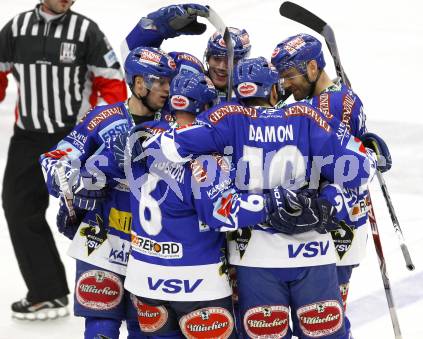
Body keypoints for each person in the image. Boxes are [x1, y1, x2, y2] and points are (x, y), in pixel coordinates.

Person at [140, 57, 391, 338]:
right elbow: (359, 170)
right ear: (274, 91)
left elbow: (162, 150)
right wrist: (336, 193)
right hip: (312, 251)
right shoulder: (306, 116)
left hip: (254, 257)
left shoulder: (227, 118)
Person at [99, 70, 334, 338]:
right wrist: (272, 201)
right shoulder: (207, 157)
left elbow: (96, 174)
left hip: (144, 279)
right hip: (197, 282)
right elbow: (222, 213)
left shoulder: (140, 138)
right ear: (207, 107)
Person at [0, 0, 127, 320]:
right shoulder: (15, 29)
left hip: (73, 140)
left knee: (91, 215)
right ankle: (47, 292)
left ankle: (118, 291)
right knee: (18, 209)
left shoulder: (86, 31)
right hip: (27, 136)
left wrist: (106, 132)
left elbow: (112, 81)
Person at [39, 46, 175, 337]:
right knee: (101, 328)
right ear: (139, 83)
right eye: (160, 81)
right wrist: (80, 182)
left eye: (169, 81)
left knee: (147, 330)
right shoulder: (103, 118)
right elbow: (53, 160)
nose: (167, 88)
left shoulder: (175, 123)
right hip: (103, 239)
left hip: (152, 244)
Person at [271, 33, 391, 337]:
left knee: (321, 323)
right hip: (326, 222)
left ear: (313, 67)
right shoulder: (337, 97)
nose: (285, 84)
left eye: (289, 75)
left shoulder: (332, 102)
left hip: (336, 226)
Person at [121, 3, 251, 97]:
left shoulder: (254, 93)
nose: (222, 67)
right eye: (216, 58)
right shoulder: (185, 72)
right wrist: (158, 27)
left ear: (243, 63)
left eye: (231, 60)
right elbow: (132, 58)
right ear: (207, 57)